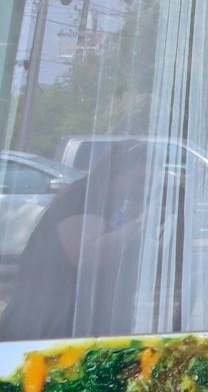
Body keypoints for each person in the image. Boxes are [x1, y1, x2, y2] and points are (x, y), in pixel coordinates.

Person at [0, 142, 151, 341]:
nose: (142, 188)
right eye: (139, 180)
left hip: (79, 312)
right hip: (51, 317)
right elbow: (84, 254)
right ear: (117, 172)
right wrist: (141, 222)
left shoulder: (115, 203)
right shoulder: (83, 195)